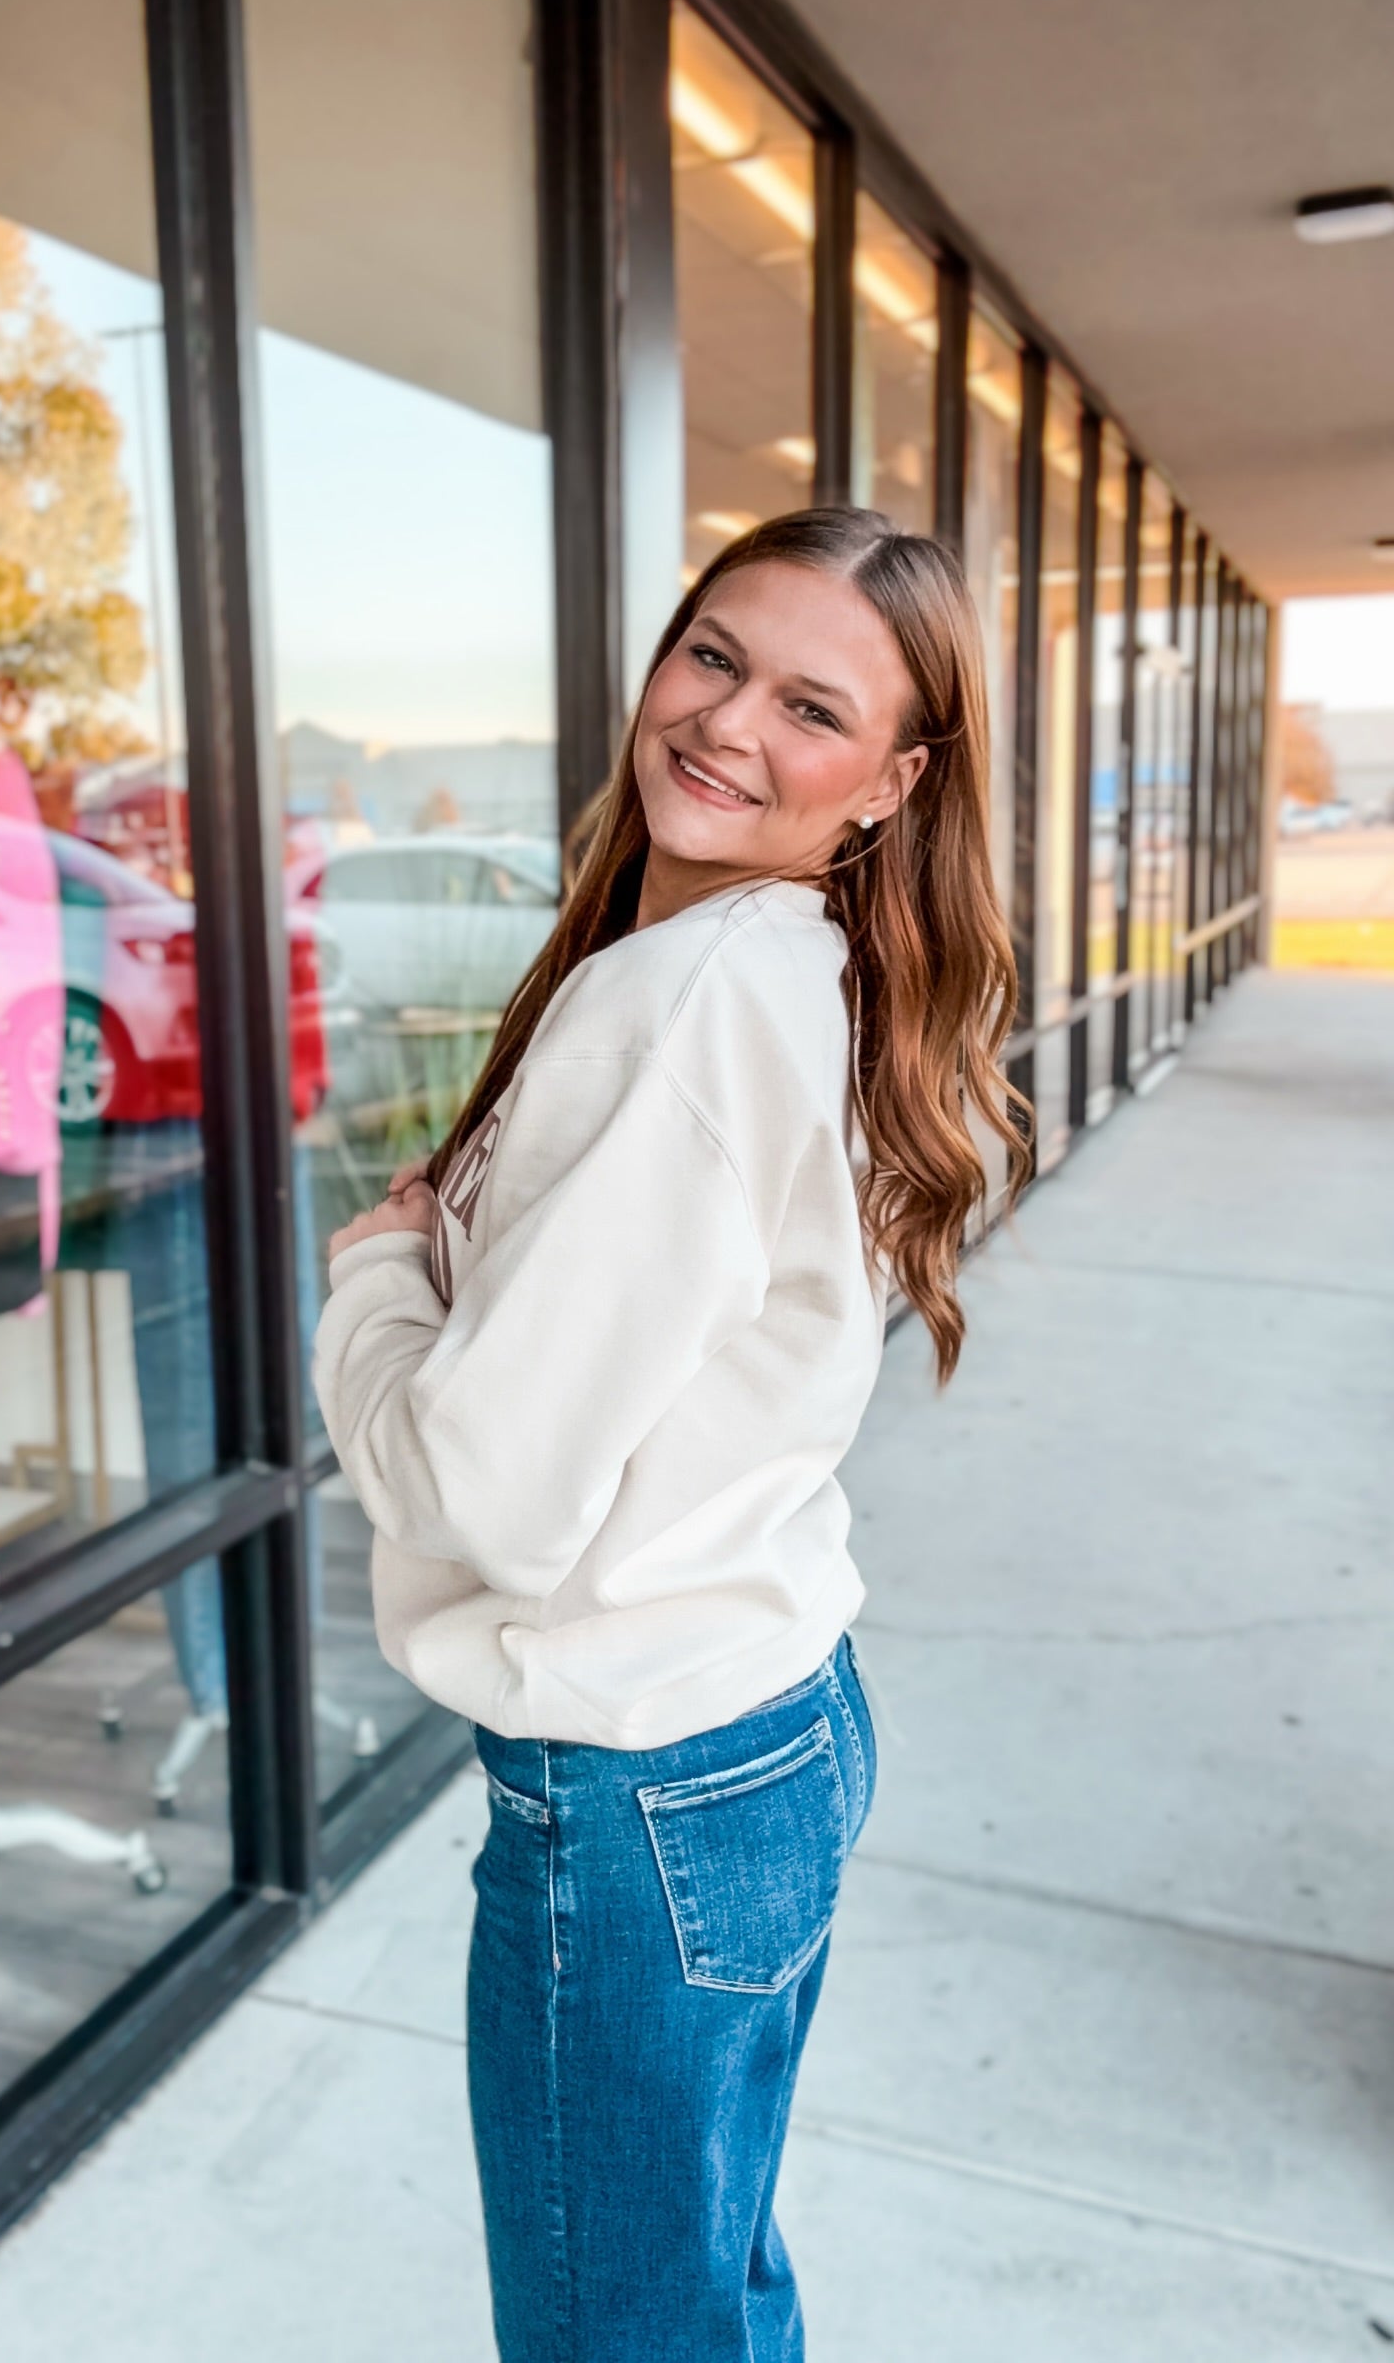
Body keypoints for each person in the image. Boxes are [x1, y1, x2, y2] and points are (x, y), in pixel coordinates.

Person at [313, 508, 1024, 2360]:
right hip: (769, 1728)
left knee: (624, 2335)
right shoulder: (793, 964)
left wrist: (373, 1281)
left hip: (646, 1791)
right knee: (705, 2300)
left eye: (812, 707)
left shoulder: (687, 1000)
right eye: (713, 656)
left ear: (894, 781)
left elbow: (481, 1491)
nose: (725, 723)